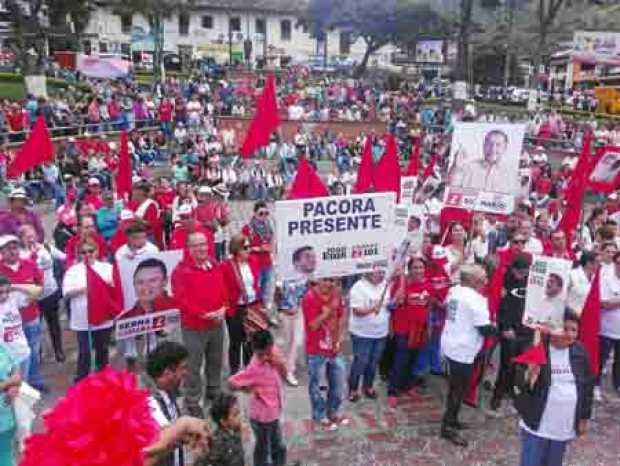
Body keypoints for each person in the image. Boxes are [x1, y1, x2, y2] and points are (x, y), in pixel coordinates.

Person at [515, 311, 594, 466]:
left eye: (574, 330)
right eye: (565, 329)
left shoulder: (580, 352)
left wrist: (584, 417)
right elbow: (519, 386)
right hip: (538, 425)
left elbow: (586, 387)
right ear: (554, 328)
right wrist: (529, 375)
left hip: (563, 426)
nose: (570, 335)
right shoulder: (537, 348)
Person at [171, 232, 228, 418]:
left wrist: (224, 308)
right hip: (194, 327)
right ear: (189, 248)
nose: (201, 249)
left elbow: (224, 290)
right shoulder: (180, 272)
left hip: (217, 324)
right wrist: (202, 314)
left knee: (216, 360)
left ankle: (214, 390)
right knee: (193, 366)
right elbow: (181, 300)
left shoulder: (216, 266)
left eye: (203, 244)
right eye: (196, 245)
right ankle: (192, 400)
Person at [440, 264, 496, 446]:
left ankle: (452, 419)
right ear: (473, 281)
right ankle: (448, 426)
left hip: (451, 341)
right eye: (482, 279)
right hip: (463, 348)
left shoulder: (454, 291)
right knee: (458, 389)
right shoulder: (475, 299)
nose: (485, 282)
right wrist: (498, 330)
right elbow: (484, 327)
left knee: (456, 388)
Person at [229, 330, 287, 466]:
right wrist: (247, 389)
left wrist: (277, 363)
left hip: (274, 412)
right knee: (263, 448)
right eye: (263, 354)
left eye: (269, 351)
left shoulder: (275, 354)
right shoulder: (254, 369)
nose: (267, 356)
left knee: (278, 446)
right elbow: (231, 382)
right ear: (256, 350)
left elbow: (285, 373)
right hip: (261, 417)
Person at [62, 238, 114, 382]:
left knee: (102, 349)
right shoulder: (73, 271)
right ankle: (82, 379)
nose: (87, 254)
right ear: (78, 254)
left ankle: (103, 377)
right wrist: (85, 289)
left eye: (91, 251)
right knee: (84, 352)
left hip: (103, 318)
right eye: (83, 252)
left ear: (96, 252)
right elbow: (66, 293)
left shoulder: (106, 268)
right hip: (82, 319)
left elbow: (114, 288)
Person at [0, 235, 46, 392]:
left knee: (32, 350)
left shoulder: (30, 265)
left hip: (31, 315)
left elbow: (40, 288)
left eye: (15, 247)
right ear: (2, 252)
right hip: (7, 323)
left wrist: (14, 286)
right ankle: (18, 386)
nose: (13, 251)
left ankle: (35, 381)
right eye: (8, 249)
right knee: (10, 355)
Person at [387, 257, 435, 406]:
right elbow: (392, 305)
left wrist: (429, 325)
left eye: (421, 267)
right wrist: (398, 291)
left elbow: (429, 305)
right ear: (410, 269)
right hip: (403, 329)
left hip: (420, 329)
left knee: (414, 359)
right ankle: (393, 391)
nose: (419, 271)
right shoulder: (401, 284)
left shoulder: (428, 284)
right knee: (401, 360)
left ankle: (408, 385)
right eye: (415, 267)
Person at [302, 277, 348, 430]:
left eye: (332, 280)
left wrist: (339, 339)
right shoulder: (309, 298)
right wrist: (328, 312)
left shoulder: (336, 294)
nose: (329, 283)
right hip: (316, 351)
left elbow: (342, 317)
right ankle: (320, 415)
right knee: (318, 387)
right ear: (317, 279)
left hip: (334, 349)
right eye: (325, 280)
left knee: (338, 385)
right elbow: (313, 325)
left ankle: (333, 412)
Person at [18, 224, 66, 362]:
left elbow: (63, 257)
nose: (31, 239)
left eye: (33, 236)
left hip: (50, 292)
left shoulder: (46, 247)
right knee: (35, 327)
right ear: (21, 239)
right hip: (33, 297)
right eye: (27, 237)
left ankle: (59, 350)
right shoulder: (21, 255)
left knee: (54, 323)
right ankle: (36, 353)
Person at [491, 255, 532, 412]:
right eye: (519, 272)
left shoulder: (531, 281)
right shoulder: (505, 280)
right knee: (506, 364)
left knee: (521, 364)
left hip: (525, 328)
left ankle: (513, 391)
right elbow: (500, 305)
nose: (522, 275)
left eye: (525, 272)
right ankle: (498, 394)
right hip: (509, 328)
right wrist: (505, 327)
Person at [144, 341, 193, 466]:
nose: (185, 372)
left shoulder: (171, 392)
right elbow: (169, 435)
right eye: (182, 368)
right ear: (168, 372)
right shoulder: (150, 402)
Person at [220, 234, 261, 375]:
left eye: (249, 247)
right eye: (245, 248)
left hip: (252, 306)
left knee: (250, 341)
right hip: (235, 308)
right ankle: (235, 371)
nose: (249, 250)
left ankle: (249, 370)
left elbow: (256, 282)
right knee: (236, 341)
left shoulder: (253, 261)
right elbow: (222, 288)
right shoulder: (226, 266)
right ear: (236, 250)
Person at [347, 268, 389, 403]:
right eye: (378, 272)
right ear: (368, 272)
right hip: (362, 334)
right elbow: (357, 311)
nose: (381, 275)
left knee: (373, 362)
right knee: (360, 362)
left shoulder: (386, 285)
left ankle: (368, 386)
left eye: (383, 272)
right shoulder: (358, 287)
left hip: (381, 332)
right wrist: (372, 309)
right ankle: (353, 389)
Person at [450, 129, 517, 193]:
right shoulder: (468, 168)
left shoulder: (512, 175)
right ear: (484, 145)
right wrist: (455, 167)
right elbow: (449, 190)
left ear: (505, 148)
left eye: (498, 145)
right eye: (489, 144)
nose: (493, 149)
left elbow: (519, 200)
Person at [194, 393, 244, 466]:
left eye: (239, 412)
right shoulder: (217, 442)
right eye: (235, 415)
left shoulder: (236, 432)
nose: (240, 417)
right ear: (223, 421)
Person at [278, 275, 309, 387]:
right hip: (285, 313)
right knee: (288, 342)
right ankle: (284, 365)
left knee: (297, 342)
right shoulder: (281, 275)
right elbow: (276, 296)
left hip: (299, 312)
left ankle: (289, 370)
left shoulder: (303, 275)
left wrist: (299, 305)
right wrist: (281, 309)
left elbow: (306, 293)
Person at [597, 250, 620, 401]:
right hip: (606, 328)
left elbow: (612, 302)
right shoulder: (606, 279)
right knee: (601, 359)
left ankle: (617, 384)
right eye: (618, 263)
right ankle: (595, 386)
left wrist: (615, 301)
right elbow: (604, 303)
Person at [242, 201, 274, 307]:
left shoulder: (268, 226)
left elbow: (271, 241)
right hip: (255, 263)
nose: (264, 216)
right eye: (261, 213)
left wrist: (271, 247)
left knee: (266, 289)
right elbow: (243, 248)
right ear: (254, 213)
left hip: (267, 262)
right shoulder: (248, 229)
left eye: (266, 213)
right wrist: (258, 249)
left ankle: (264, 309)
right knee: (256, 288)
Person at [0, 344, 21, 466]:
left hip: (7, 418)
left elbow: (16, 371)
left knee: (6, 455)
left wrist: (13, 386)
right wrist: (9, 383)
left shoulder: (1, 347)